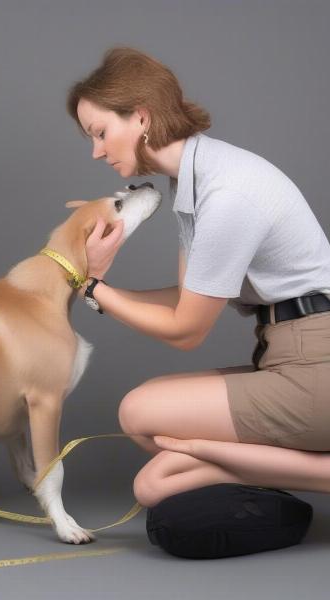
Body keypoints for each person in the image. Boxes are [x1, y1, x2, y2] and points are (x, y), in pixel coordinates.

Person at [66, 46, 330, 508]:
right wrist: (97, 282)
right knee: (156, 479)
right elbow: (188, 298)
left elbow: (186, 330)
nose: (96, 152)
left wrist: (93, 288)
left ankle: (311, 471)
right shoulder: (193, 180)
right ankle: (254, 463)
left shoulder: (227, 192)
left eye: (101, 133)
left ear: (141, 118)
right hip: (289, 353)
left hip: (318, 367)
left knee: (139, 411)